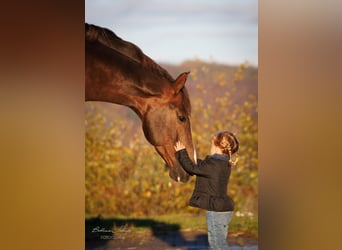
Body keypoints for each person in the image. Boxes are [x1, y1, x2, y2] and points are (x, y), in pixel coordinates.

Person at [174, 130, 239, 250]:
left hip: (216, 211)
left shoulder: (213, 164)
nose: (210, 147)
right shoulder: (224, 163)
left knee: (217, 244)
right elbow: (200, 166)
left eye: (211, 144)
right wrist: (187, 157)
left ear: (217, 147)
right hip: (224, 209)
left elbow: (193, 168)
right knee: (219, 241)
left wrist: (181, 153)